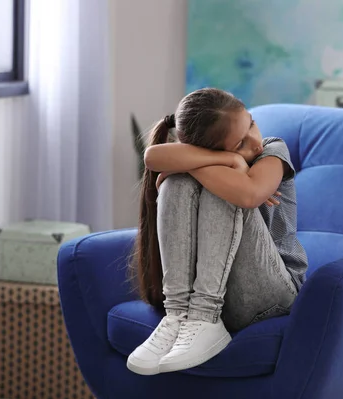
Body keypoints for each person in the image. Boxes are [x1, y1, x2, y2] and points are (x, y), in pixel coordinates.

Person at [127, 88, 308, 375]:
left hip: (274, 295)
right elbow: (152, 157)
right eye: (239, 145)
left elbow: (249, 194)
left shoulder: (273, 150)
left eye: (251, 123)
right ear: (207, 149)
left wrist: (205, 162)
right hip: (217, 296)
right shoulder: (223, 158)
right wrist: (228, 163)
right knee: (177, 184)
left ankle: (204, 317)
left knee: (215, 188)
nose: (255, 144)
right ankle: (177, 316)